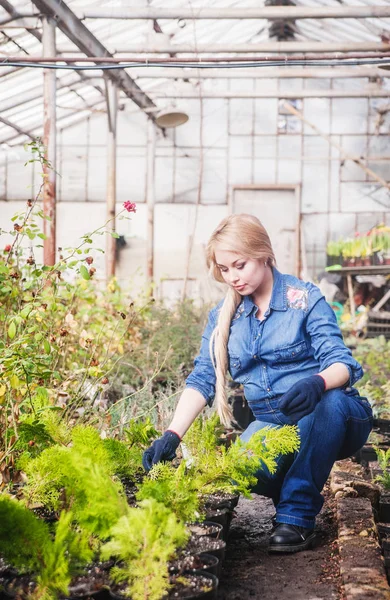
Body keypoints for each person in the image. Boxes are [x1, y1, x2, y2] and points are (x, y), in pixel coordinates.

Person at [142, 214, 372, 553]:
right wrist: (171, 434)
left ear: (263, 254)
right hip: (276, 423)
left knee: (329, 403)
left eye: (240, 265)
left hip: (335, 417)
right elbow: (203, 378)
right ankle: (297, 484)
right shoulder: (224, 317)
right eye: (224, 269)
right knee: (243, 468)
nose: (232, 277)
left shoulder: (303, 299)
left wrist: (317, 382)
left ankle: (296, 515)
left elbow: (342, 362)